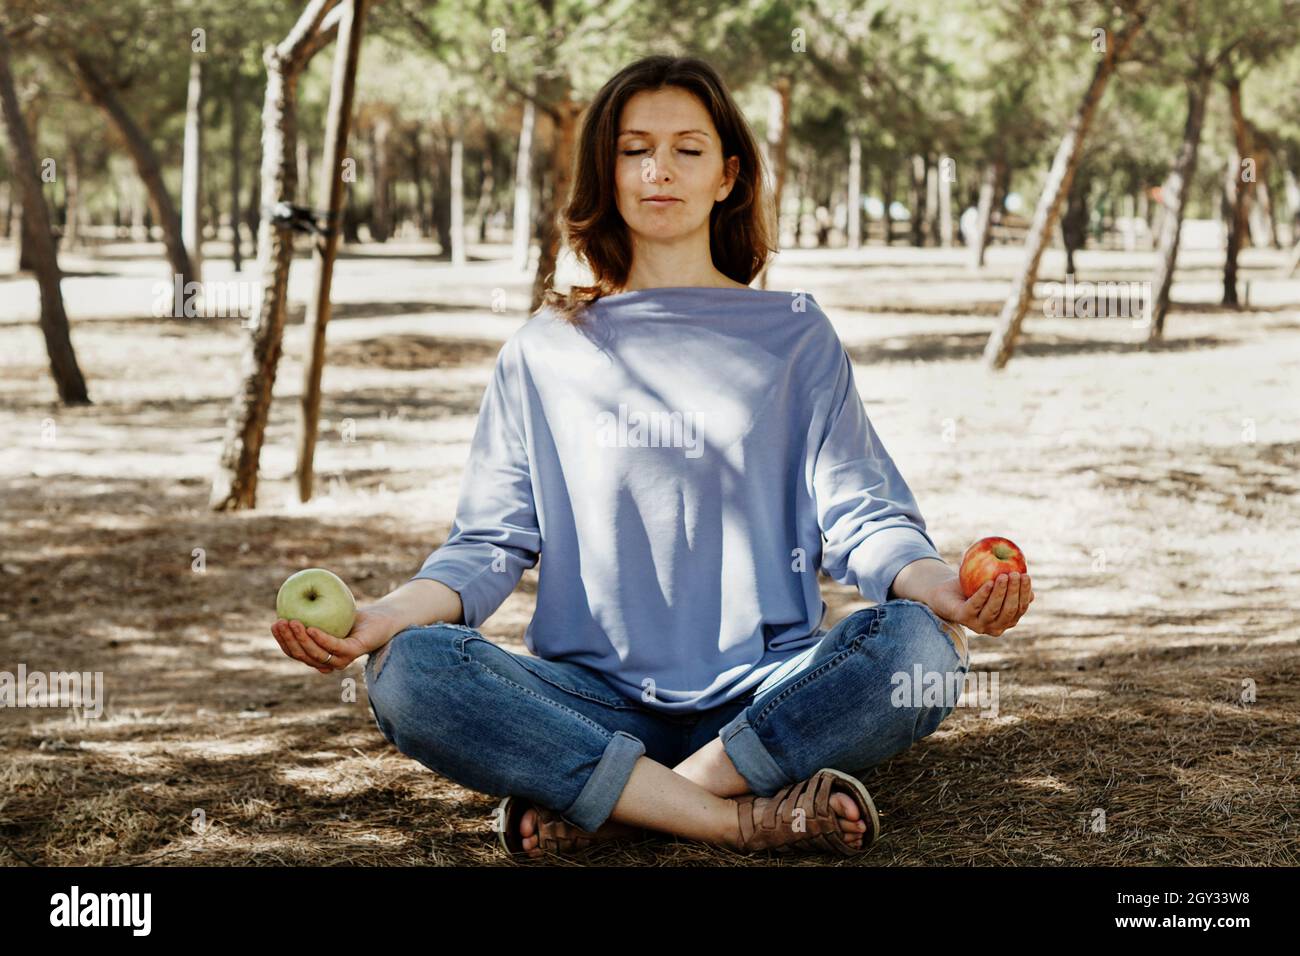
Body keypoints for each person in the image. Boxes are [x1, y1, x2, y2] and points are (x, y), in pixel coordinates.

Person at [272, 54, 1034, 859]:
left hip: (764, 693)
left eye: (688, 149)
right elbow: (488, 545)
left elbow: (861, 515)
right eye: (635, 149)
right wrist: (383, 619)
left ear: (728, 176)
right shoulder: (542, 350)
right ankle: (733, 816)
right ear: (607, 168)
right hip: (587, 699)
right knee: (410, 672)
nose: (659, 170)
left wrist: (941, 587)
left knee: (918, 649)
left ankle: (620, 801)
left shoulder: (796, 335)